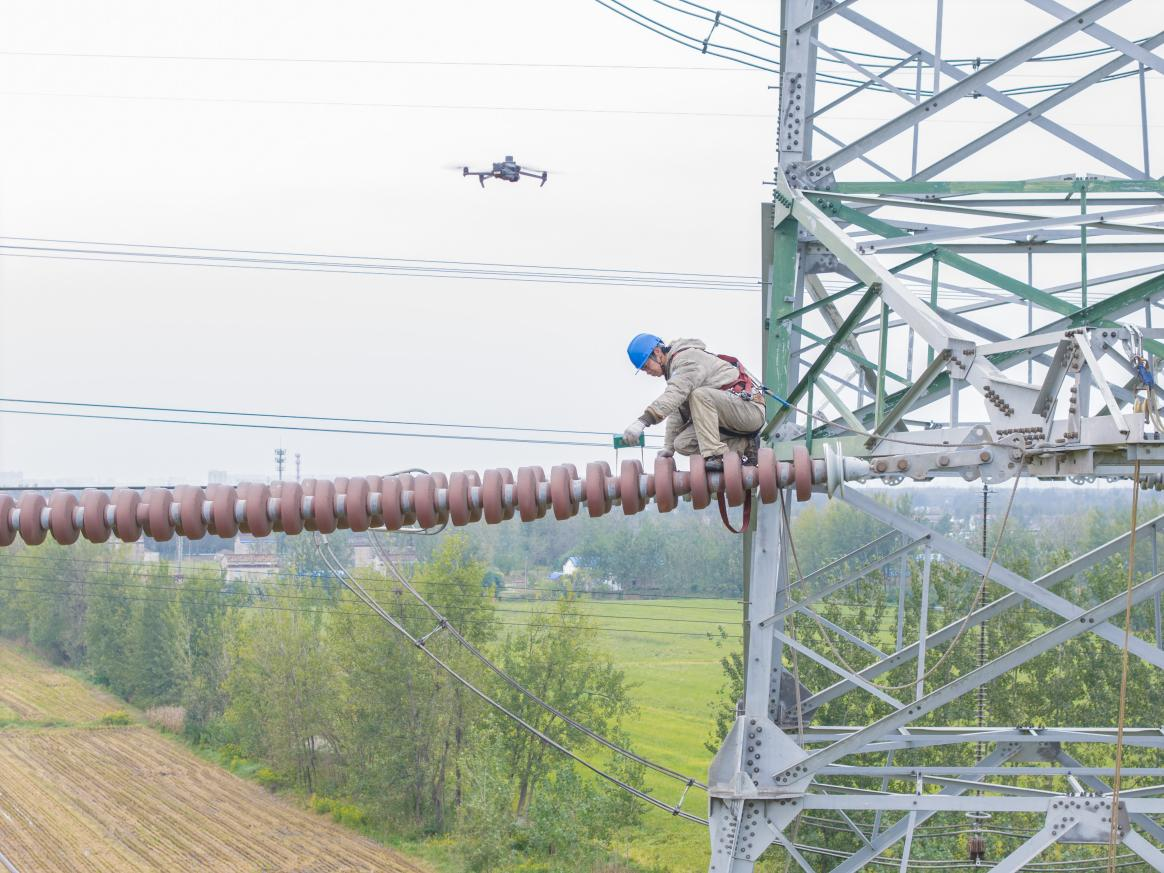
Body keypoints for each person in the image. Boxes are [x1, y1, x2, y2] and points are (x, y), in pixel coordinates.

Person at [622, 333, 765, 471]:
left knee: (700, 395)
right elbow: (677, 407)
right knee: (682, 444)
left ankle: (717, 455)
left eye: (646, 366)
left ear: (657, 352)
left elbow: (676, 393)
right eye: (642, 369)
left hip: (749, 411)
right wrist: (669, 447)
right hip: (730, 418)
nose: (647, 371)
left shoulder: (686, 359)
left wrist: (643, 421)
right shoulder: (675, 371)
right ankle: (746, 446)